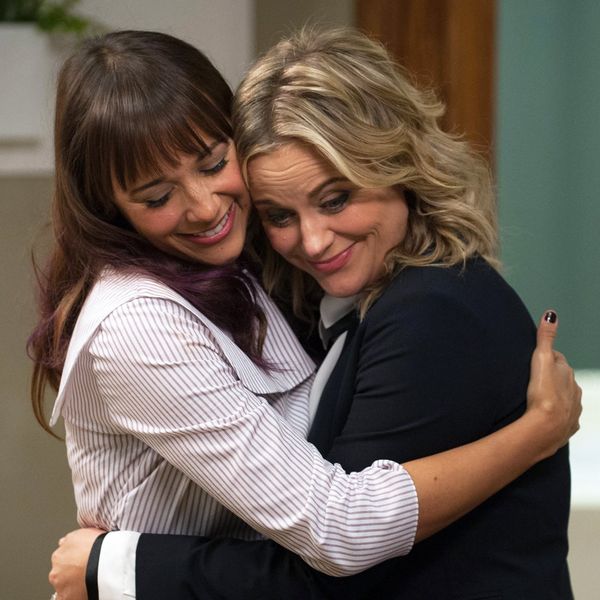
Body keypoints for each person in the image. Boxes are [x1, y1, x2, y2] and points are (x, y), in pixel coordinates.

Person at [42, 29, 580, 600]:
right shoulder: (170, 311)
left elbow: (335, 555)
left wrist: (114, 566)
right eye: (279, 215)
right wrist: (535, 434)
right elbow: (335, 534)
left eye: (335, 199)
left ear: (397, 164)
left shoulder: (431, 310)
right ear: (110, 209)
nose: (315, 240)